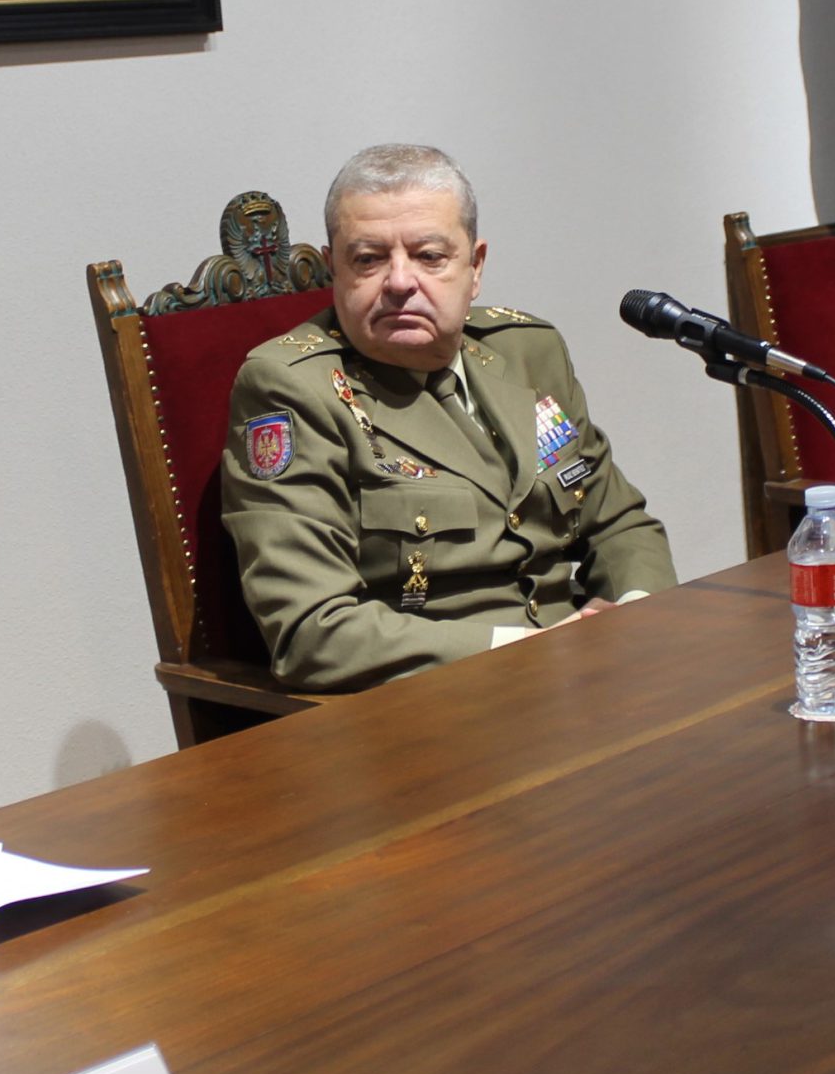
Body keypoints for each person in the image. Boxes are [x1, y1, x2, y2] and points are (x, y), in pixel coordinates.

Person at [221, 145, 677, 693]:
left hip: (586, 676)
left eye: (429, 256)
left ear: (475, 266)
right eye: (367, 259)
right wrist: (536, 652)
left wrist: (634, 616)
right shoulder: (294, 388)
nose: (399, 281)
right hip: (440, 700)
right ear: (333, 268)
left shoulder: (528, 351)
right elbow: (311, 633)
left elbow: (619, 524)